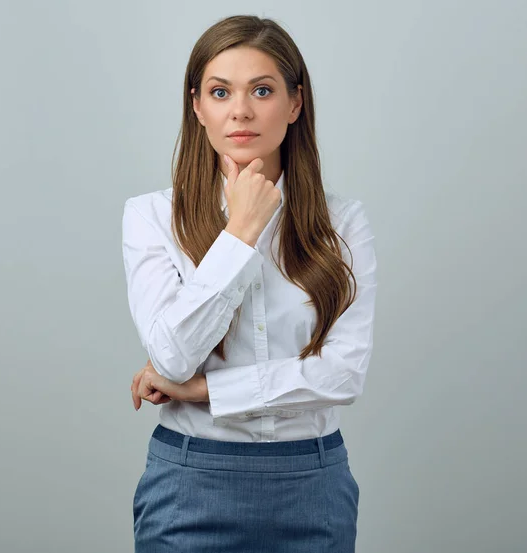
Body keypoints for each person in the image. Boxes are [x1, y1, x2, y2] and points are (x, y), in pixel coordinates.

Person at [122, 14, 377, 553]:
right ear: (197, 107)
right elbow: (170, 358)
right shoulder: (150, 217)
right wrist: (240, 233)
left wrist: (208, 390)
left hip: (313, 484)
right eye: (220, 92)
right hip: (189, 486)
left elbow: (343, 376)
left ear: (295, 103)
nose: (240, 110)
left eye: (262, 90)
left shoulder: (343, 223)